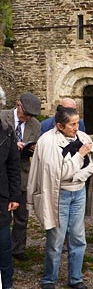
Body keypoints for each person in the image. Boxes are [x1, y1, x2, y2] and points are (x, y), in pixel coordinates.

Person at [27, 105, 93, 289]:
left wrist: (78, 176)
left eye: (78, 123)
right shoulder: (48, 142)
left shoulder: (82, 137)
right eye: (73, 124)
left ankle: (75, 279)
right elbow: (59, 174)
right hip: (58, 194)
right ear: (60, 126)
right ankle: (49, 279)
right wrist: (79, 155)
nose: (77, 128)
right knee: (56, 240)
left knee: (78, 238)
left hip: (78, 192)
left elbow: (91, 165)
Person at [0, 91, 41, 261]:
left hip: (22, 174)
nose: (28, 118)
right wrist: (11, 145)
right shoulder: (2, 116)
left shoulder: (36, 125)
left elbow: (37, 151)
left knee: (22, 217)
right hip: (2, 174)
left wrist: (31, 149)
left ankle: (17, 250)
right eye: (26, 114)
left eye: (31, 116)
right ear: (18, 105)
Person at [0, 86, 21, 289]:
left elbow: (13, 166)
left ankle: (7, 284)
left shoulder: (6, 132)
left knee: (4, 248)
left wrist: (15, 195)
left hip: (2, 199)